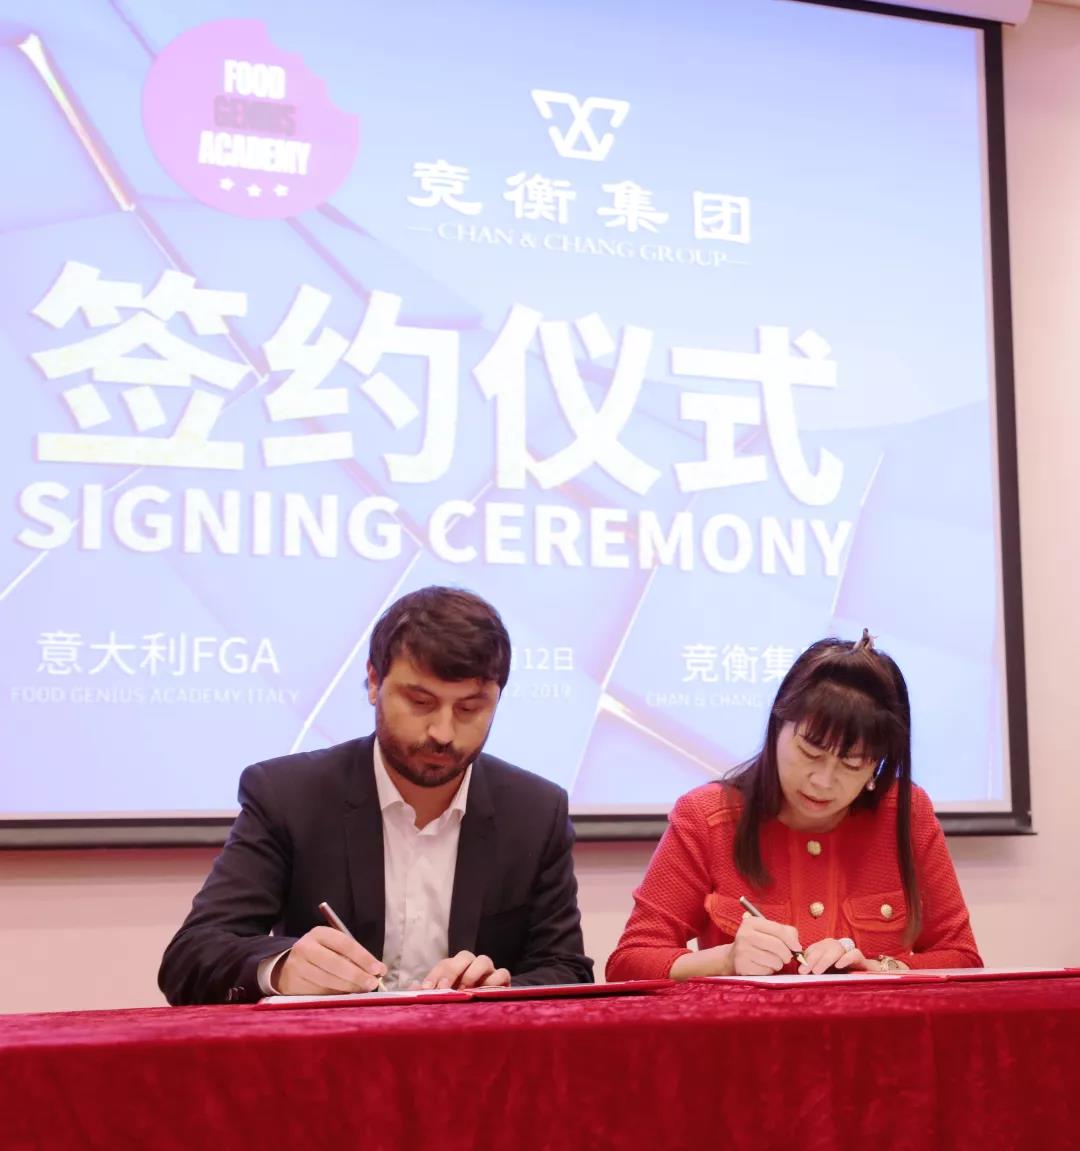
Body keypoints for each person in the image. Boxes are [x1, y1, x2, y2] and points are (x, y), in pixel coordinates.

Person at [160, 586, 593, 1005]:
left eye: (469, 708)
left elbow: (567, 969)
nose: (443, 733)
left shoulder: (535, 812)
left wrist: (501, 991)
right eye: (420, 702)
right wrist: (280, 968)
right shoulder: (290, 796)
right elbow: (190, 957)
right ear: (373, 681)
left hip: (471, 1049)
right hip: (329, 1048)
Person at [606, 631, 981, 981]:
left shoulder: (905, 812)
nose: (823, 781)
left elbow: (963, 958)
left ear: (875, 767)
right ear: (777, 728)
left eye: (852, 765)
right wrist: (725, 960)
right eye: (810, 752)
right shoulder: (707, 817)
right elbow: (628, 962)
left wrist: (878, 968)